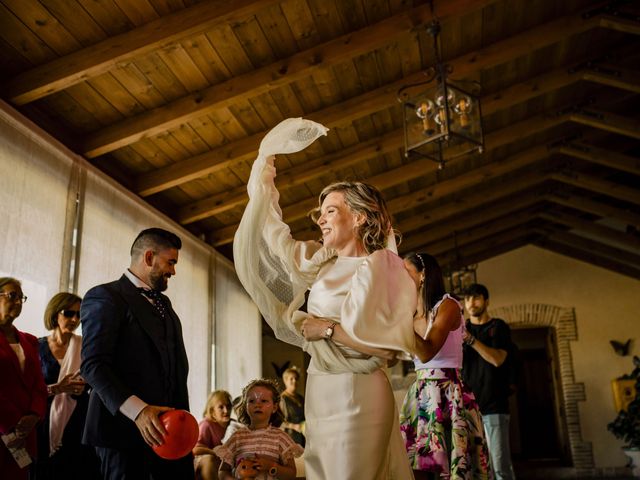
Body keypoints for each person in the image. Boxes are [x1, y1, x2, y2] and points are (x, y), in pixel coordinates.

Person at [233, 118, 419, 479]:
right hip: (320, 386)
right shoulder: (320, 262)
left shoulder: (380, 266)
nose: (320, 219)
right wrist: (264, 176)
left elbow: (388, 351)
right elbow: (273, 235)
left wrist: (327, 330)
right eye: (320, 213)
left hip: (358, 392)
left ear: (361, 218)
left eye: (330, 211)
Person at [80, 227, 193, 480]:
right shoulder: (105, 296)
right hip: (121, 434)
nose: (173, 271)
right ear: (149, 257)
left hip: (169, 436)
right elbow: (93, 365)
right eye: (171, 262)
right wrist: (139, 412)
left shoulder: (165, 305)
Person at [399, 253, 492, 480]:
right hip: (420, 396)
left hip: (448, 394)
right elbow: (392, 356)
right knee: (417, 467)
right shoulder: (410, 314)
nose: (399, 278)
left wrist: (397, 323)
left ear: (423, 275)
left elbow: (427, 351)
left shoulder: (448, 306)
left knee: (452, 468)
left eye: (406, 272)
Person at [33, 292, 100, 479]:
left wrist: (87, 385)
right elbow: (29, 392)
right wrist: (57, 388)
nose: (75, 319)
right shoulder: (36, 347)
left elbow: (97, 382)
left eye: (78, 315)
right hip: (43, 425)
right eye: (69, 313)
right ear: (55, 314)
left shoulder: (85, 347)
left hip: (78, 424)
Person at [462, 283, 515, 480]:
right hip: (468, 408)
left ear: (486, 301)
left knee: (500, 467)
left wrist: (471, 340)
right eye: (467, 299)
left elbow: (497, 359)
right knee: (475, 468)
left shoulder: (498, 327)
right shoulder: (462, 328)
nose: (471, 303)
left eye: (475, 298)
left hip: (495, 406)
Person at [0, 277, 47, 480]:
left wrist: (34, 415)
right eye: (12, 296)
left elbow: (38, 384)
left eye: (21, 297)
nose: (18, 302)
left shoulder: (29, 341)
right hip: (4, 426)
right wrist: (12, 423)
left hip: (25, 432)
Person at [214, 379, 303, 480]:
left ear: (274, 407)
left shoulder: (280, 438)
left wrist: (271, 466)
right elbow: (222, 471)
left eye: (264, 401)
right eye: (252, 401)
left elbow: (291, 474)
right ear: (245, 406)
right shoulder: (237, 437)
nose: (258, 405)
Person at [194, 390, 235, 480]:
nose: (226, 410)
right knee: (210, 459)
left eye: (228, 406)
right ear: (212, 411)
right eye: (221, 407)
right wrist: (216, 453)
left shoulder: (234, 425)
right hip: (207, 461)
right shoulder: (206, 424)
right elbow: (195, 450)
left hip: (226, 463)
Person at [279, 366, 305, 447]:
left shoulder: (301, 398)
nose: (294, 381)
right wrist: (293, 426)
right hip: (288, 438)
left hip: (302, 437)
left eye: (296, 379)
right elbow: (278, 421)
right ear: (285, 381)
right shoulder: (282, 399)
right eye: (291, 379)